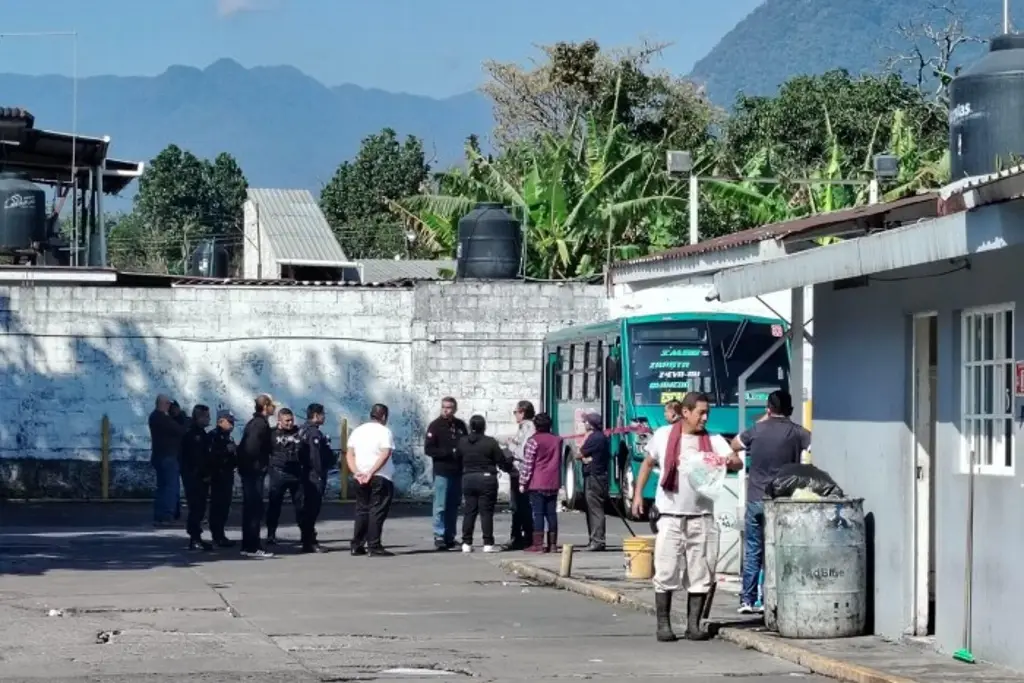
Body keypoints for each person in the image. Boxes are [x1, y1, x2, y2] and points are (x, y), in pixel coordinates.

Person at [632, 391, 744, 643]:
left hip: (701, 517)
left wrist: (726, 460)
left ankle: (693, 625)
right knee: (666, 569)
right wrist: (638, 494)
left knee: (700, 573)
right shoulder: (664, 435)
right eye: (700, 413)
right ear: (685, 412)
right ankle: (664, 624)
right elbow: (648, 463)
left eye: (707, 413)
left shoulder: (713, 439)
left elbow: (737, 462)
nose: (705, 418)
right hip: (670, 516)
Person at [731, 390, 810, 614]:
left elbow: (735, 444)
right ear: (790, 410)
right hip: (782, 501)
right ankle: (770, 599)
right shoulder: (798, 433)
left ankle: (747, 600)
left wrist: (765, 419)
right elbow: (816, 445)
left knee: (753, 550)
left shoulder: (756, 430)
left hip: (756, 498)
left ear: (768, 408)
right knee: (777, 550)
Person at [457, 414, 512, 553]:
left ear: (470, 426)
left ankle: (466, 543)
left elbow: (457, 458)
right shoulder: (490, 442)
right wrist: (509, 466)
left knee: (469, 511)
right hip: (487, 478)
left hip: (468, 477)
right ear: (484, 427)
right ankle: (488, 543)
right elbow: (501, 460)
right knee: (486, 512)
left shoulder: (462, 442)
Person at [347, 403, 396, 557]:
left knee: (362, 510)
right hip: (380, 476)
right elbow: (385, 453)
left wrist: (356, 472)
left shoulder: (358, 431)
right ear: (384, 416)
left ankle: (357, 545)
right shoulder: (384, 432)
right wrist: (371, 472)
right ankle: (374, 546)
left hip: (360, 475)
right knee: (377, 511)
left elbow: (349, 454)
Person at [424, 397, 467, 551]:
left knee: (453, 505)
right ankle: (439, 535)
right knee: (440, 505)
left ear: (455, 409)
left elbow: (465, 444)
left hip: (457, 471)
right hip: (442, 471)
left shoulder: (460, 425)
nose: (446, 410)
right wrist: (448, 452)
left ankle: (450, 536)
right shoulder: (435, 426)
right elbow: (429, 449)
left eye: (449, 407)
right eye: (444, 407)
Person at [238, 394, 275, 558]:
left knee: (252, 509)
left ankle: (248, 545)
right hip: (253, 472)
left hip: (251, 471)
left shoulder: (255, 423)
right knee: (254, 509)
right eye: (272, 405)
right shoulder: (259, 424)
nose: (274, 408)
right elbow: (250, 448)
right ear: (265, 406)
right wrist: (258, 466)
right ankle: (252, 546)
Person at [519, 412, 562, 553]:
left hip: (537, 481)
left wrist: (523, 482)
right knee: (551, 513)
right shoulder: (557, 440)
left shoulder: (533, 441)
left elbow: (528, 463)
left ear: (536, 426)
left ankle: (538, 544)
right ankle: (553, 544)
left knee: (538, 513)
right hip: (553, 481)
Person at [265, 408, 303, 547]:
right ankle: (271, 534)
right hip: (278, 472)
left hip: (296, 473)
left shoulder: (299, 432)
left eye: (291, 420)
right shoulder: (272, 433)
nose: (290, 423)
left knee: (300, 506)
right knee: (274, 505)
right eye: (287, 421)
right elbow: (265, 451)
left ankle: (305, 534)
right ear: (279, 421)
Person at [502, 400, 536, 550]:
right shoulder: (524, 427)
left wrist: (510, 445)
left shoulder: (528, 427)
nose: (515, 415)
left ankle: (522, 537)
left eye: (516, 412)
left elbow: (523, 453)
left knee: (520, 506)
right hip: (519, 471)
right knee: (519, 506)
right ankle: (520, 536)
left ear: (522, 412)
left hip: (521, 472)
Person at [149, 394, 186, 527]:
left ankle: (160, 515)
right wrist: (182, 417)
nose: (170, 406)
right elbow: (181, 430)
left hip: (159, 456)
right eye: (169, 404)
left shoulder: (154, 416)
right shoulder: (163, 418)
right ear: (164, 404)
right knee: (170, 487)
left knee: (162, 487)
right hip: (168, 457)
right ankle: (167, 515)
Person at [297, 403, 330, 553]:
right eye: (323, 414)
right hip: (313, 475)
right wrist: (319, 473)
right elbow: (315, 457)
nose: (324, 417)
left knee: (307, 509)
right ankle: (309, 542)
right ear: (316, 415)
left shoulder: (303, 429)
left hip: (305, 473)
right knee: (312, 509)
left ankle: (307, 540)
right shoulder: (314, 433)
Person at [180, 405, 213, 551]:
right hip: (194, 477)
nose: (209, 419)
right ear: (199, 417)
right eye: (206, 416)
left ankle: (196, 537)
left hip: (196, 476)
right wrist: (204, 474)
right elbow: (197, 458)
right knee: (196, 508)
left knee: (199, 508)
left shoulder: (200, 433)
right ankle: (194, 538)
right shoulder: (194, 434)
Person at [578, 412, 610, 552]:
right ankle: (594, 539)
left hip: (594, 477)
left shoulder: (594, 438)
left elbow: (579, 453)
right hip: (598, 475)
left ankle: (597, 541)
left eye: (586, 422)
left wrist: (583, 456)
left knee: (595, 509)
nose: (584, 424)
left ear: (591, 425)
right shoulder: (602, 437)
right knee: (593, 509)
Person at [207, 410, 238, 547]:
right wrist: (226, 451)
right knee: (218, 506)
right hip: (218, 475)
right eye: (229, 422)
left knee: (225, 506)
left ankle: (220, 534)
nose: (232, 425)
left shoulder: (228, 437)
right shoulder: (214, 436)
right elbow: (210, 456)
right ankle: (217, 535)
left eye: (232, 422)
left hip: (227, 474)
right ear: (220, 421)